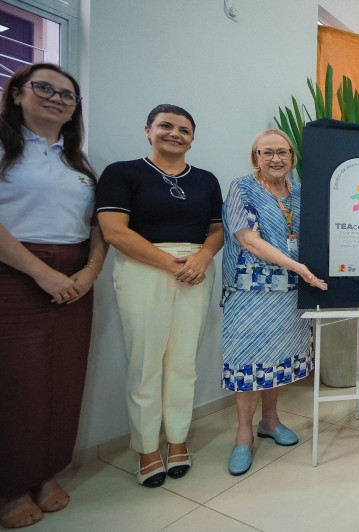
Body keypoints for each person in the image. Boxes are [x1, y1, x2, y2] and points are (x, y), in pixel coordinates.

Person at [0, 63, 105, 529]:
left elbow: (97, 226)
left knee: (63, 380)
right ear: (18, 93)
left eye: (68, 94)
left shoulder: (78, 162)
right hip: (16, 276)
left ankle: (44, 475)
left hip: (75, 279)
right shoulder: (6, 151)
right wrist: (42, 273)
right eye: (45, 88)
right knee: (16, 384)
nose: (57, 98)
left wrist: (90, 271)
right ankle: (10, 485)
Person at [97, 104, 223, 487]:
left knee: (184, 359)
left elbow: (215, 230)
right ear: (148, 130)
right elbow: (115, 232)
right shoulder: (122, 173)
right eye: (166, 126)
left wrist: (201, 257)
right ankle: (147, 446)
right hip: (144, 269)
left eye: (184, 129)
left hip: (196, 270)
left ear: (193, 138)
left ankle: (178, 439)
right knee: (145, 361)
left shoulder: (205, 180)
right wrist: (172, 265)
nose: (175, 134)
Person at [221, 129, 327, 475]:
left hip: (291, 292)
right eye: (267, 153)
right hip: (250, 292)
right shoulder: (241, 187)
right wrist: (298, 266)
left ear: (292, 158)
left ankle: (270, 420)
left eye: (282, 152)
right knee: (247, 360)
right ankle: (242, 436)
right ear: (256, 158)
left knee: (277, 357)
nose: (276, 159)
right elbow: (248, 240)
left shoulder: (300, 191)